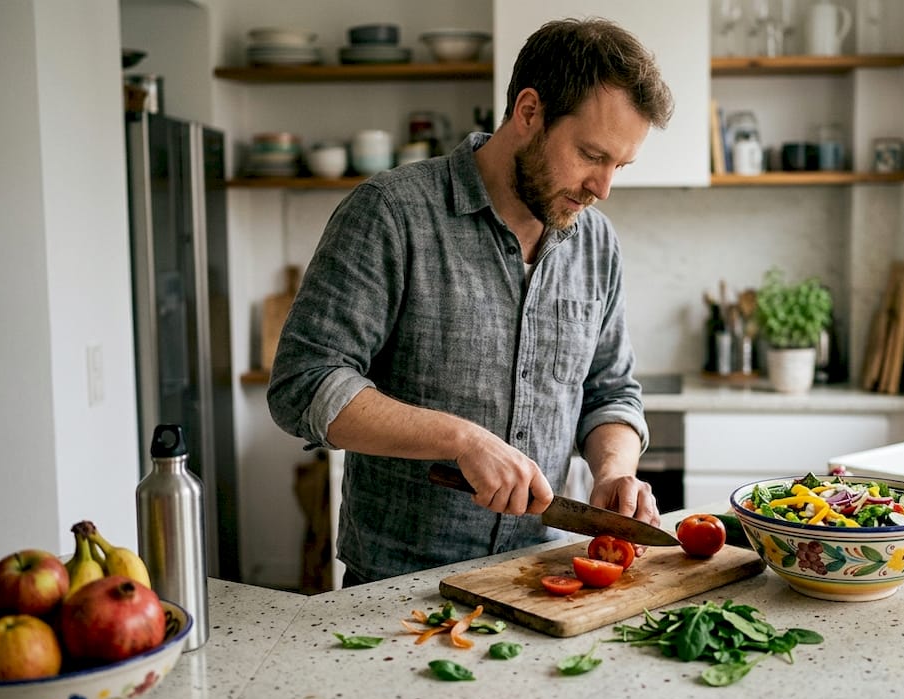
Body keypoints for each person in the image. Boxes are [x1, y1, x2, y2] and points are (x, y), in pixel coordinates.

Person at [267, 18, 675, 584]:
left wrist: (614, 471)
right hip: (400, 584)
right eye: (589, 154)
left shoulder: (596, 242)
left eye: (619, 166)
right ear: (529, 112)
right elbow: (303, 383)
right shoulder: (390, 213)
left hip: (543, 574)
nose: (602, 188)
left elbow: (611, 390)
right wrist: (460, 439)